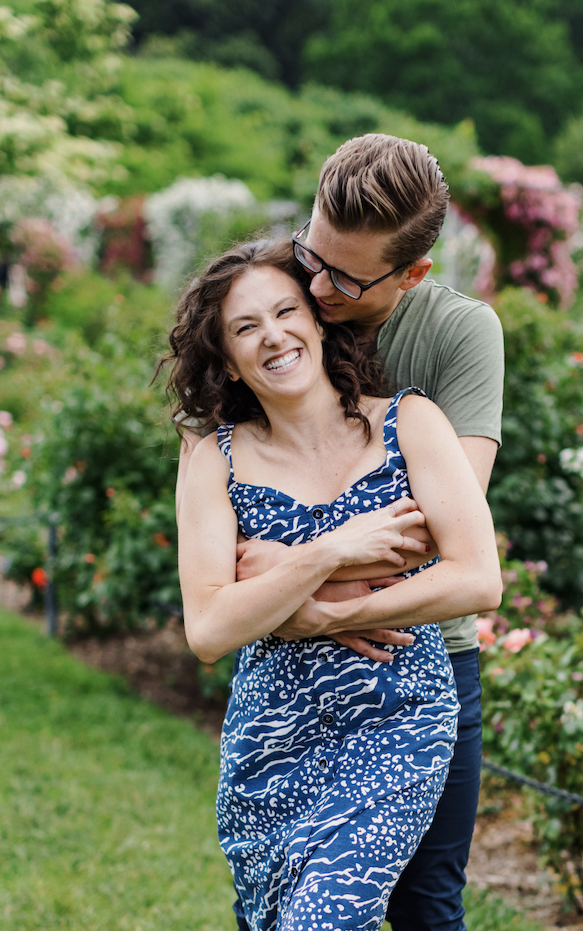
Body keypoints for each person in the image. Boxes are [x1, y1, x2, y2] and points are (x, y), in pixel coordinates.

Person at [177, 133, 505, 931]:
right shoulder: (278, 306)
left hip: (413, 657)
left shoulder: (454, 342)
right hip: (278, 702)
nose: (313, 291)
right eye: (306, 259)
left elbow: (432, 533)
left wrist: (299, 595)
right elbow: (212, 611)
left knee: (419, 906)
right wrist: (319, 557)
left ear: (410, 272)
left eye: (341, 280)